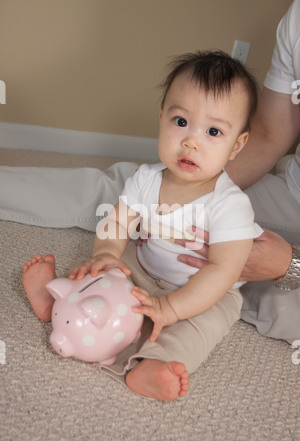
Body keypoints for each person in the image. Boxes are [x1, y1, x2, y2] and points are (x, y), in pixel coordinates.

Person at [22, 51, 262, 401]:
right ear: (162, 118)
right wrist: (106, 253)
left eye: (213, 131)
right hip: (143, 265)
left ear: (236, 145)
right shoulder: (146, 178)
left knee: (195, 330)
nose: (191, 141)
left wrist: (171, 308)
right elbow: (118, 221)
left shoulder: (231, 205)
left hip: (202, 290)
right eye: (181, 122)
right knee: (99, 274)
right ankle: (58, 304)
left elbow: (224, 270)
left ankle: (148, 366)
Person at [176, 0, 300, 344]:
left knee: (285, 305)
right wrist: (185, 188)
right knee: (149, 197)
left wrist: (290, 265)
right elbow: (272, 134)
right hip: (293, 195)